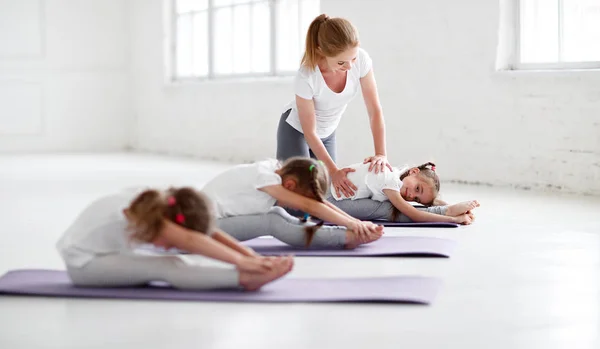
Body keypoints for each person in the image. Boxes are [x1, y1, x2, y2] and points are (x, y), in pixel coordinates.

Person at [57, 187, 293, 291]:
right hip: (85, 264)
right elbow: (190, 241)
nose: (172, 244)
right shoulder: (143, 216)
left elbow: (207, 232)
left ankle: (245, 275)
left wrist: (251, 255)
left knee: (170, 261)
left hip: (106, 252)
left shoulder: (158, 203)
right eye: (172, 239)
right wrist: (244, 265)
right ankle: (244, 280)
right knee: (168, 265)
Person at [276, 13, 392, 200]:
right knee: (298, 195)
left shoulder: (361, 60)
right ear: (321, 50)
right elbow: (310, 132)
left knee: (329, 195)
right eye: (341, 62)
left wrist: (381, 154)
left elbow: (374, 110)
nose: (349, 66)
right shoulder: (307, 76)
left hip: (327, 133)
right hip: (297, 130)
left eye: (352, 59)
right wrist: (333, 170)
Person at [201, 157, 384, 250]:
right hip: (203, 228)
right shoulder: (265, 178)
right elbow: (310, 207)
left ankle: (345, 234)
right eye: (300, 199)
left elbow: (317, 203)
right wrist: (353, 225)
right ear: (290, 185)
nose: (297, 205)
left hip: (213, 223)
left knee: (277, 215)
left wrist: (354, 222)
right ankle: (345, 238)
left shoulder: (275, 171)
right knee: (273, 220)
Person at [328, 161, 479, 224]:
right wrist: (453, 218)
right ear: (413, 171)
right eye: (417, 189)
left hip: (333, 195)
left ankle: (445, 210)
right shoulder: (391, 180)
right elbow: (414, 215)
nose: (411, 196)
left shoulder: (398, 175)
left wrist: (449, 206)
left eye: (417, 199)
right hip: (330, 201)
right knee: (389, 210)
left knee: (394, 207)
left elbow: (414, 207)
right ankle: (445, 212)